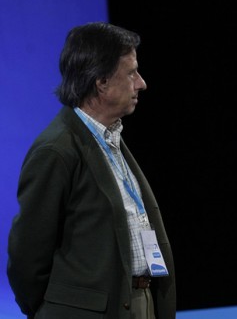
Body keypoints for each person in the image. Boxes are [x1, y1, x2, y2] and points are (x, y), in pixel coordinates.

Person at [7, 22, 176, 319]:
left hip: (140, 303)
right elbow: (27, 257)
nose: (141, 83)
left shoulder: (112, 139)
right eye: (131, 72)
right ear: (101, 81)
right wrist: (53, 310)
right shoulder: (56, 150)